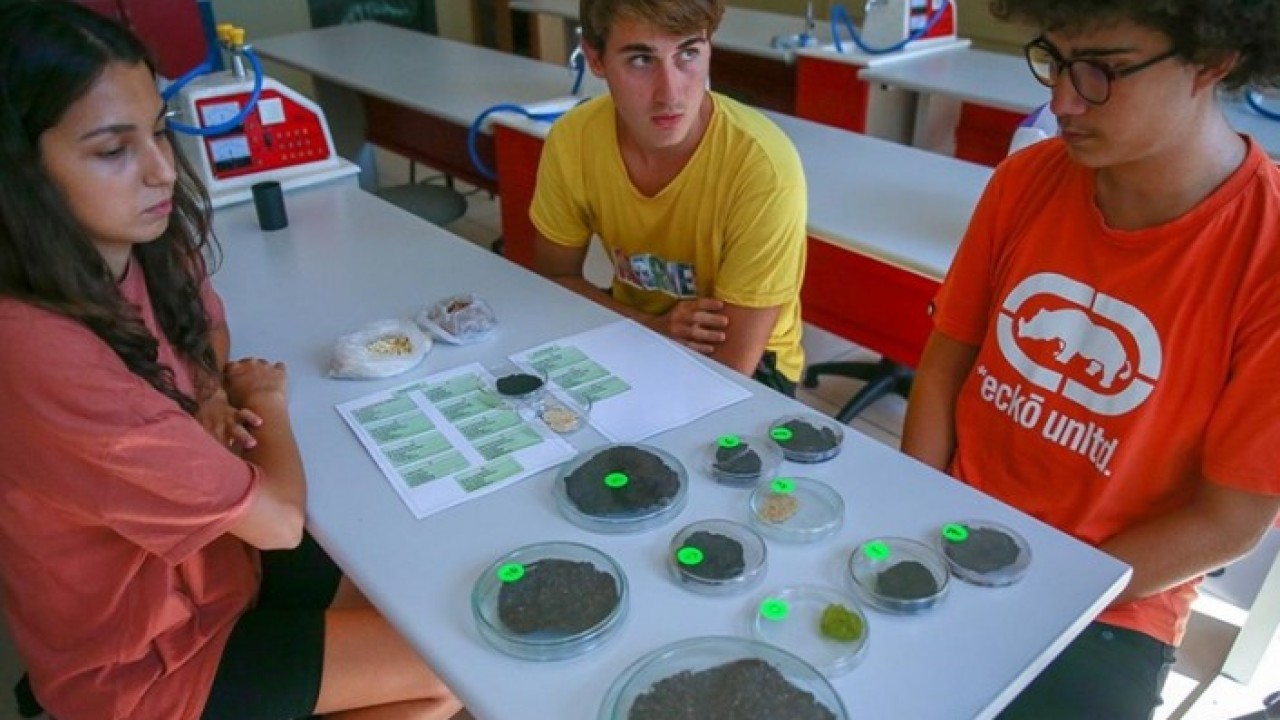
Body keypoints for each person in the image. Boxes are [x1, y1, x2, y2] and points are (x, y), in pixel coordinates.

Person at [0, 3, 464, 719]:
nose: (162, 172)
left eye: (159, 130)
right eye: (113, 150)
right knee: (450, 669)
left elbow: (207, 329)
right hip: (142, 660)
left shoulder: (137, 240)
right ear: (21, 173)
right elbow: (279, 521)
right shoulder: (38, 351)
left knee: (405, 577)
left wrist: (211, 395)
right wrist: (264, 402)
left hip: (221, 569)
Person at [901, 1, 1280, 717]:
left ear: (1213, 60)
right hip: (952, 531)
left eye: (1103, 70)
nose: (1062, 101)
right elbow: (946, 362)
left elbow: (1230, 522)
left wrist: (1041, 588)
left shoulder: (1266, 255)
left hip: (1117, 595)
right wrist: (922, 515)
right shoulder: (1024, 181)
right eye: (1054, 58)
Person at [530, 0, 808, 395]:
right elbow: (555, 280)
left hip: (751, 364)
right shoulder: (572, 140)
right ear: (595, 59)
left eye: (688, 53)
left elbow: (728, 372)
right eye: (641, 59)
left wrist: (644, 331)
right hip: (639, 324)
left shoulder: (764, 169)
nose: (670, 94)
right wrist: (651, 327)